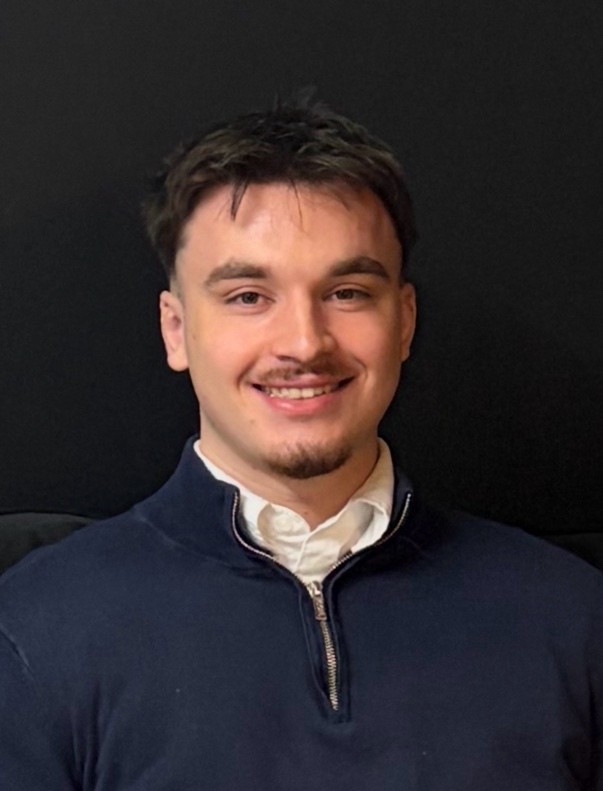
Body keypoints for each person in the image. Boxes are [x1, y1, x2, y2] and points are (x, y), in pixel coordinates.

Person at [0, 100, 601, 791]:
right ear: (175, 330)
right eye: (248, 296)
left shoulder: (571, 617)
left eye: (346, 292)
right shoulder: (33, 630)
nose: (304, 344)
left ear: (402, 322)